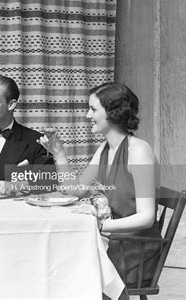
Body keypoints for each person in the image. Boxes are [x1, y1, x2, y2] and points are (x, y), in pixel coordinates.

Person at [40, 82, 161, 297]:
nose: (88, 115)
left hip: (135, 249)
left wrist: (101, 224)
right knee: (57, 263)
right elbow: (76, 190)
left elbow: (146, 217)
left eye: (93, 109)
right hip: (115, 242)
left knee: (71, 271)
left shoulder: (139, 151)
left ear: (114, 113)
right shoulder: (105, 149)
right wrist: (59, 155)